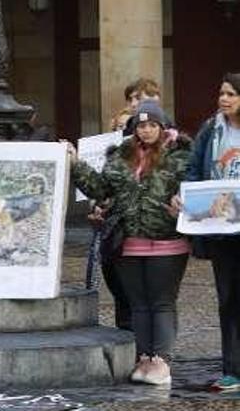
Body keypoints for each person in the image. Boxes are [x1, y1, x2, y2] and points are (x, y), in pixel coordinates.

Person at [69, 99, 190, 386]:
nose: (146, 130)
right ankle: (143, 356)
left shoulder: (181, 156)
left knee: (161, 302)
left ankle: (161, 359)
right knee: (137, 304)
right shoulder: (120, 157)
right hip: (129, 242)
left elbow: (194, 188)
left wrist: (184, 206)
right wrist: (75, 165)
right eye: (141, 125)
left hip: (167, 242)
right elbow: (99, 188)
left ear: (162, 127)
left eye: (152, 125)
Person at [186, 72, 240, 391]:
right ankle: (232, 369)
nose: (224, 99)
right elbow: (194, 168)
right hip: (222, 231)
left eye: (231, 94)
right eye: (222, 93)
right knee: (229, 299)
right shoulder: (210, 129)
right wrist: (189, 196)